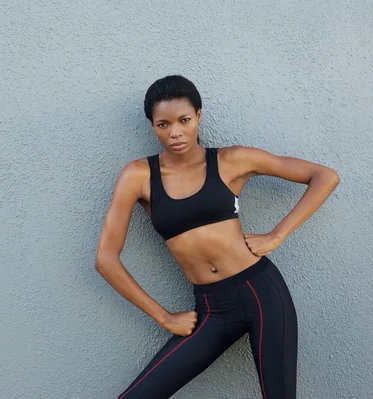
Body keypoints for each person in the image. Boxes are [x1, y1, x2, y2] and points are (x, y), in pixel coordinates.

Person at [94, 75, 340, 399]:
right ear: (152, 126)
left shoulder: (231, 160)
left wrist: (276, 235)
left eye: (183, 120)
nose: (175, 133)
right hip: (211, 309)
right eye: (163, 125)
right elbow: (105, 259)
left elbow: (324, 176)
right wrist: (164, 316)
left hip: (262, 293)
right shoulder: (138, 176)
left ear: (198, 115)